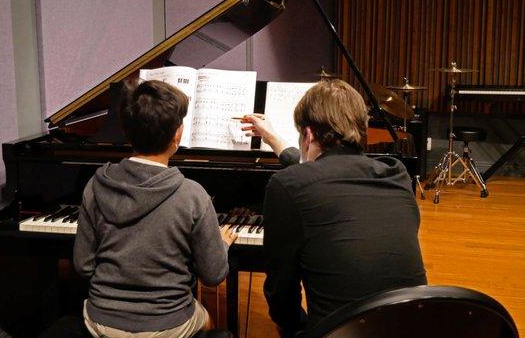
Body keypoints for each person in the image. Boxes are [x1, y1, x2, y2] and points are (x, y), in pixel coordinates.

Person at [242, 79, 427, 336]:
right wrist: (273, 138)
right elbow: (318, 168)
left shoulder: (288, 185)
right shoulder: (396, 175)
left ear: (307, 135)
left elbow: (281, 295)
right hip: (412, 327)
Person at [73, 79, 237, 338]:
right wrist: (222, 244)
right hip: (168, 324)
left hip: (101, 322)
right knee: (208, 320)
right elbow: (213, 275)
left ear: (126, 132)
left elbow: (82, 266)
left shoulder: (95, 185)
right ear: (177, 135)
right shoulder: (191, 194)